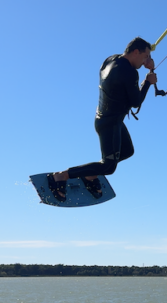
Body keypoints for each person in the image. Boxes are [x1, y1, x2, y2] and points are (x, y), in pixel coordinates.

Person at [48, 37, 158, 201]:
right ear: (136, 52)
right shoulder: (130, 72)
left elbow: (122, 84)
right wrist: (148, 82)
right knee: (108, 166)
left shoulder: (111, 59)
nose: (145, 61)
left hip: (107, 118)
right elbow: (135, 102)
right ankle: (62, 176)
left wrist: (146, 65)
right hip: (110, 123)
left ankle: (90, 176)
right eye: (145, 56)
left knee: (127, 151)